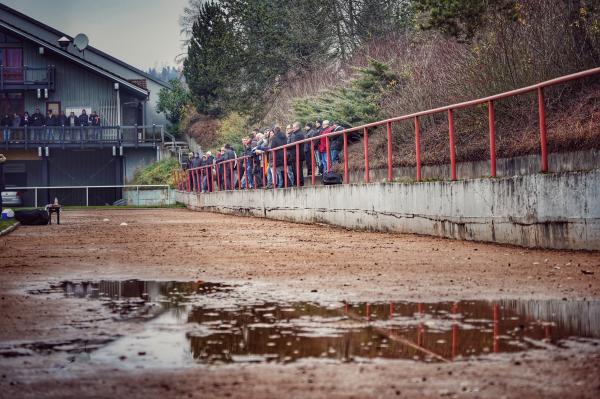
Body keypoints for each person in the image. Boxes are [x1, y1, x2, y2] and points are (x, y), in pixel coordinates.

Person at [288, 121, 306, 186]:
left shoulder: (299, 134)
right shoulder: (295, 134)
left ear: (298, 127)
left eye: (294, 127)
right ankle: (297, 182)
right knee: (295, 170)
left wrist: (288, 146)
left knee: (298, 170)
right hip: (295, 155)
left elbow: (294, 144)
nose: (293, 128)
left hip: (298, 155)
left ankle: (300, 183)